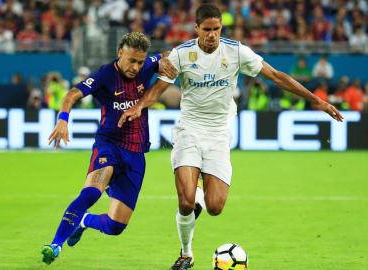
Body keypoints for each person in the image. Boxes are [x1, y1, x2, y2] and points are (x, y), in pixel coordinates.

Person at [118, 4, 344, 270]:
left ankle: (201, 196)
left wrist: (317, 100)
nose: (212, 35)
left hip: (218, 134)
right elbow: (158, 88)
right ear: (196, 29)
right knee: (185, 201)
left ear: (220, 28)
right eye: (206, 30)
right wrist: (139, 106)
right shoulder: (182, 54)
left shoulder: (237, 52)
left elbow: (277, 77)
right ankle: (186, 254)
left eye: (216, 29)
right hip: (189, 129)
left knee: (214, 206)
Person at [41, 32, 177, 265]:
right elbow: (73, 94)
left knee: (116, 226)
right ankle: (55, 244)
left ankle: (83, 222)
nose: (136, 67)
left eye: (140, 62)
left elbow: (166, 55)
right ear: (119, 53)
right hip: (109, 145)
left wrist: (163, 58)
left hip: (136, 153)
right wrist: (63, 118)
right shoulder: (105, 75)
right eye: (131, 60)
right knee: (91, 192)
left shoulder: (147, 65)